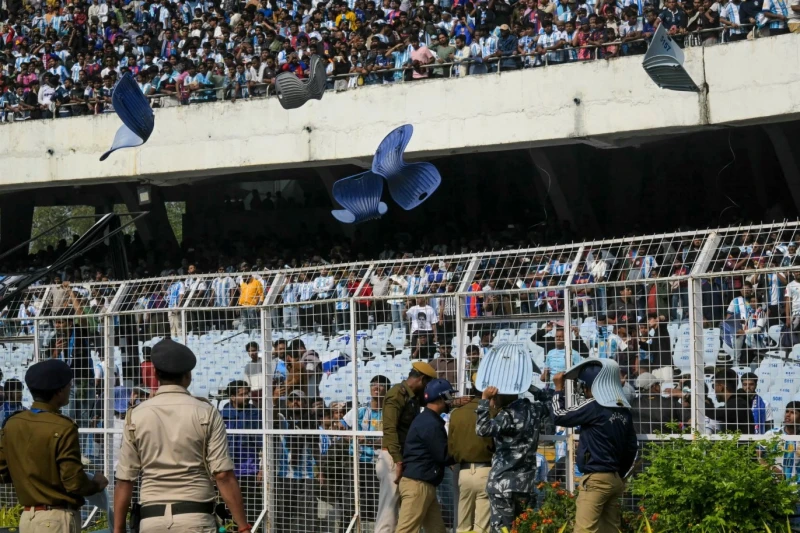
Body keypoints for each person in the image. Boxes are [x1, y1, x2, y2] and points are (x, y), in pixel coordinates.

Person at [113, 338, 250, 533]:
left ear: (155, 373)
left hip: (151, 519)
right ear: (188, 375)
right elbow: (223, 475)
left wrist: (118, 530)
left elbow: (125, 480)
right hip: (196, 517)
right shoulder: (206, 412)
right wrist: (243, 527)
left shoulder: (135, 415)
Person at [0, 359, 109, 533]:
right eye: (68, 385)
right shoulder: (63, 427)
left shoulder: (12, 424)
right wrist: (96, 484)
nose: (70, 389)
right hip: (56, 519)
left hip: (28, 518)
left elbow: (3, 472)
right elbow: (74, 483)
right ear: (59, 391)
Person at [550, 359, 638, 533]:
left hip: (596, 479)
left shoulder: (594, 406)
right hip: (614, 478)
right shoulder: (623, 410)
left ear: (591, 385)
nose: (584, 390)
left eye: (584, 386)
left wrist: (558, 390)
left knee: (584, 529)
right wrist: (619, 474)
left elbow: (559, 416)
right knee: (611, 529)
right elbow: (631, 447)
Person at [375, 361, 438, 533]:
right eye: (428, 384)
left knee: (402, 514)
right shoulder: (396, 394)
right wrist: (398, 461)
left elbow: (434, 402)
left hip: (401, 457)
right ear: (422, 379)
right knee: (388, 514)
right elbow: (389, 430)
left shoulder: (412, 396)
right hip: (392, 458)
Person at [476, 383, 543, 532]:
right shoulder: (534, 410)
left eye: (495, 397)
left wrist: (484, 400)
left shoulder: (507, 415)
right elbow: (551, 402)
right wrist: (528, 385)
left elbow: (482, 429)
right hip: (525, 484)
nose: (494, 401)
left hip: (502, 483)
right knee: (523, 528)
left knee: (502, 529)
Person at [396, 378, 455, 533]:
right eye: (449, 396)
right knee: (406, 530)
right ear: (441, 398)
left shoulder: (427, 419)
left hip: (424, 484)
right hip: (418, 485)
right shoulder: (431, 423)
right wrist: (462, 451)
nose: (451, 401)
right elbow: (443, 455)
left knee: (437, 530)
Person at [448, 373, 496, 533]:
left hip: (463, 472)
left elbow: (451, 446)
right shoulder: (493, 413)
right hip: (486, 470)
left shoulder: (457, 413)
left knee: (462, 525)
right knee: (482, 526)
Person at [221, 380, 263, 526]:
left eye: (247, 393)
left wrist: (262, 467)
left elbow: (263, 442)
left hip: (249, 469)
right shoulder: (222, 415)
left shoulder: (255, 414)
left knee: (252, 509)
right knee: (229, 509)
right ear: (232, 397)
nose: (247, 397)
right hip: (228, 470)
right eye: (242, 394)